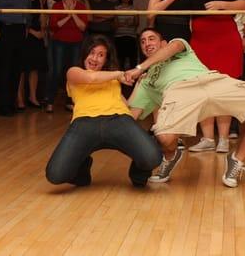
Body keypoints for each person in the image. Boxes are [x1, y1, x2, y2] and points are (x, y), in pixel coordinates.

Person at [126, 28, 245, 187]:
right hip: (179, 93)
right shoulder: (146, 80)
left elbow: (173, 47)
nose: (147, 43)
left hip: (209, 80)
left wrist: (139, 68)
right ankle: (170, 158)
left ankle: (236, 160)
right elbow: (129, 115)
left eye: (151, 39)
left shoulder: (177, 45)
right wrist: (135, 83)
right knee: (164, 138)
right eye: (142, 41)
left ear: (163, 43)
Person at [45, 35, 162, 188]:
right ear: (85, 54)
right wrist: (120, 74)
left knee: (153, 157)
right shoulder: (74, 72)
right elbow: (91, 78)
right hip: (84, 124)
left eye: (101, 55)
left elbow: (128, 108)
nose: (95, 58)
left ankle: (138, 175)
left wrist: (140, 84)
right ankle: (82, 167)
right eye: (92, 53)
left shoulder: (113, 80)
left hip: (119, 121)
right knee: (55, 175)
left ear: (106, 60)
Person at [187, 0, 245, 154]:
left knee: (223, 89)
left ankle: (223, 138)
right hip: (200, 40)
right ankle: (207, 138)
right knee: (203, 89)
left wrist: (223, 5)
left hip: (224, 38)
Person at [47, 0, 88, 113]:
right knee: (57, 71)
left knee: (73, 73)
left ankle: (70, 101)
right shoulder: (57, 6)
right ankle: (50, 101)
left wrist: (73, 14)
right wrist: (68, 15)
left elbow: (82, 27)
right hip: (59, 42)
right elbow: (54, 26)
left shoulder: (81, 6)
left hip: (76, 42)